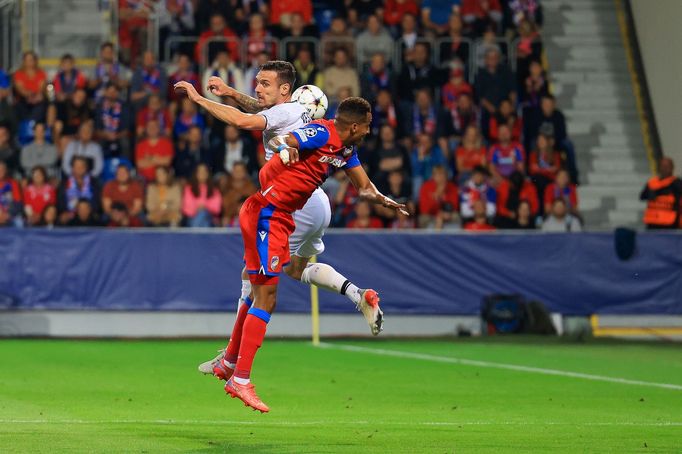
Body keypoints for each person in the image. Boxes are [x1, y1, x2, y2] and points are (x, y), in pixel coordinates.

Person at [175, 62, 389, 382]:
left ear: (287, 91)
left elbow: (246, 119)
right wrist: (232, 92)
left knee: (253, 275)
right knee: (295, 268)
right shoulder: (297, 112)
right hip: (316, 202)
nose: (257, 89)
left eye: (264, 84)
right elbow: (262, 111)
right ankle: (359, 295)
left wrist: (199, 99)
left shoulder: (284, 113)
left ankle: (232, 359)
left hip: (293, 202)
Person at [215, 97, 406, 412]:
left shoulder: (345, 150)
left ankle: (231, 365)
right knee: (264, 296)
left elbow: (365, 188)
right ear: (355, 126)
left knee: (260, 291)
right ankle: (239, 378)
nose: (369, 132)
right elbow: (282, 139)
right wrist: (285, 148)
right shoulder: (320, 132)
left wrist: (387, 201)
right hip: (266, 215)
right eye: (368, 126)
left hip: (280, 217)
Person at [640, 157, 682, 230]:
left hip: (670, 223)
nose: (664, 169)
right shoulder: (652, 182)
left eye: (666, 166)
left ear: (672, 168)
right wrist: (650, 194)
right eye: (662, 166)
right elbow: (642, 196)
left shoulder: (677, 183)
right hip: (652, 223)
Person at [57, 156, 101, 224]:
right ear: (72, 168)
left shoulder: (94, 183)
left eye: (82, 166)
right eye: (76, 166)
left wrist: (88, 211)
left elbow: (97, 202)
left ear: (86, 168)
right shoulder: (64, 183)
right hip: (70, 215)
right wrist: (65, 212)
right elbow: (61, 203)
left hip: (89, 215)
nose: (79, 169)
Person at [418, 164, 459, 229]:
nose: (441, 177)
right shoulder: (425, 187)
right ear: (433, 176)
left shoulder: (452, 187)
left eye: (443, 174)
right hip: (431, 216)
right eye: (438, 175)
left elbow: (454, 206)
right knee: (423, 218)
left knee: (456, 216)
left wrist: (444, 195)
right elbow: (424, 210)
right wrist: (436, 196)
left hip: (447, 215)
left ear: (446, 176)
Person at [182, 162, 222, 227]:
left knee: (203, 214)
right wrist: (198, 208)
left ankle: (195, 236)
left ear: (208, 174)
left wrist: (204, 207)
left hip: (211, 219)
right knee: (202, 218)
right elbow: (186, 208)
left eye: (204, 171)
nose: (202, 174)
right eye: (200, 172)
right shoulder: (189, 189)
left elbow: (217, 209)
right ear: (196, 174)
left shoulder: (214, 189)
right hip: (192, 218)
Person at [0, 160, 22, 227]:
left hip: (9, 215)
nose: (1, 171)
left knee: (19, 223)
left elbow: (18, 203)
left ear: (6, 170)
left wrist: (8, 214)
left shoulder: (13, 183)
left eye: (3, 169)